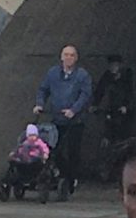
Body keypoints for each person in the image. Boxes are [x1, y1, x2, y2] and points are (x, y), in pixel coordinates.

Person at [36, 43, 93, 200]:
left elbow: (85, 95)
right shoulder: (53, 73)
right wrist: (40, 103)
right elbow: (43, 89)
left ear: (76, 58)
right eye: (66, 55)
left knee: (73, 150)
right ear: (61, 57)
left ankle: (71, 178)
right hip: (57, 118)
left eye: (71, 55)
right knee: (55, 149)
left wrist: (73, 110)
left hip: (75, 120)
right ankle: (62, 174)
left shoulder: (82, 75)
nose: (68, 58)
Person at [93, 54, 135, 176]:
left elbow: (131, 94)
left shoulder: (127, 76)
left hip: (124, 116)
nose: (113, 68)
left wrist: (126, 107)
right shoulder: (106, 77)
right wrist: (95, 104)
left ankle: (124, 170)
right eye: (111, 65)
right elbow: (99, 91)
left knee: (124, 142)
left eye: (115, 65)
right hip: (110, 112)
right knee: (106, 139)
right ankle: (107, 169)